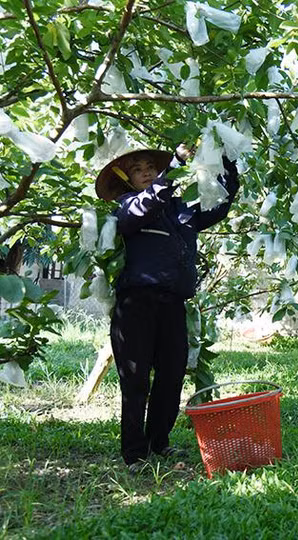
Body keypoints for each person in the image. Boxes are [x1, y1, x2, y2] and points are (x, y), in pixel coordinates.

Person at [95, 143, 240, 474]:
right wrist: (172, 166)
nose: (146, 171)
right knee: (135, 381)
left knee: (172, 374)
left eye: (150, 166)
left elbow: (217, 208)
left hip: (173, 304)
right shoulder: (128, 207)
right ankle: (134, 452)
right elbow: (144, 207)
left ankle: (158, 442)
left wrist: (228, 167)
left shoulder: (180, 211)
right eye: (138, 169)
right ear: (127, 180)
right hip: (137, 305)